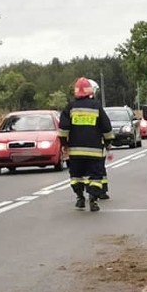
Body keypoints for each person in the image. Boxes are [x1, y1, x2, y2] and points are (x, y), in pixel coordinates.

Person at [58, 77, 114, 212]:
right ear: (91, 91)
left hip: (75, 152)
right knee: (95, 176)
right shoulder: (96, 106)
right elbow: (106, 127)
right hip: (94, 151)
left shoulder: (70, 107)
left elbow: (63, 129)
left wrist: (64, 145)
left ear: (75, 92)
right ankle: (93, 199)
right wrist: (108, 143)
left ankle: (80, 198)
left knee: (76, 176)